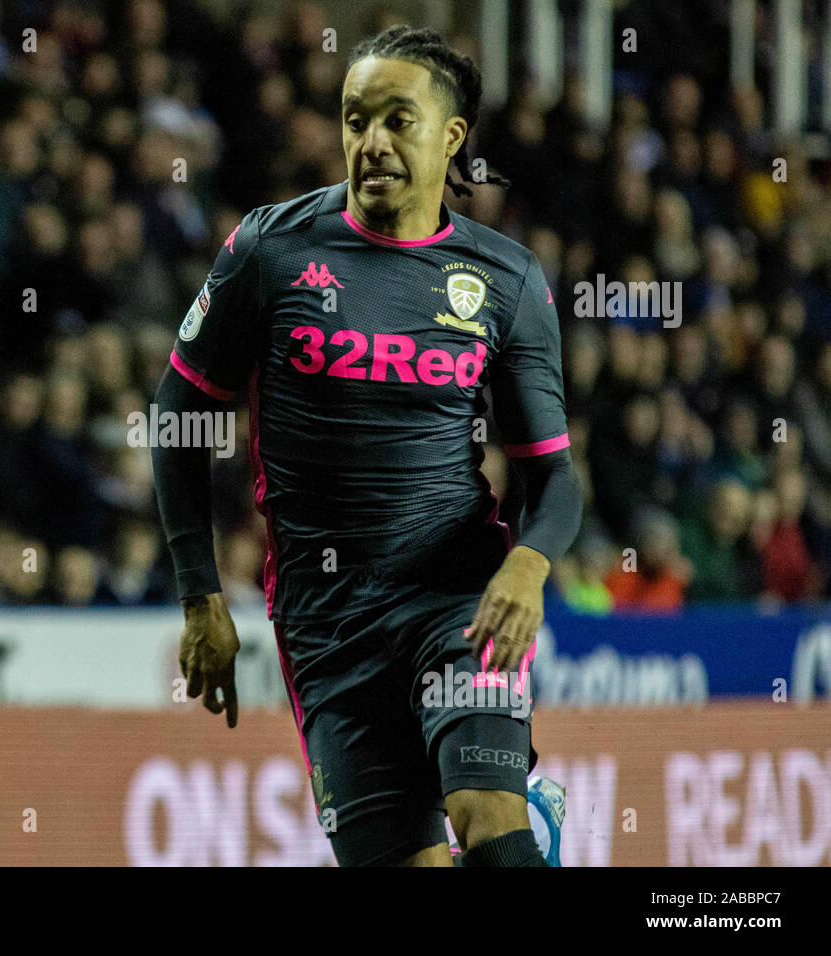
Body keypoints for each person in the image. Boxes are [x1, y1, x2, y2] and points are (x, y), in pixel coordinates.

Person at [152, 26, 581, 867]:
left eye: (397, 120)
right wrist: (200, 595)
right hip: (325, 620)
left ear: (451, 137)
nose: (372, 142)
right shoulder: (271, 251)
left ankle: (526, 828)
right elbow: (177, 418)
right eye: (356, 121)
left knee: (485, 816)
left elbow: (550, 471)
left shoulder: (505, 281)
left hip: (457, 596)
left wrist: (528, 565)